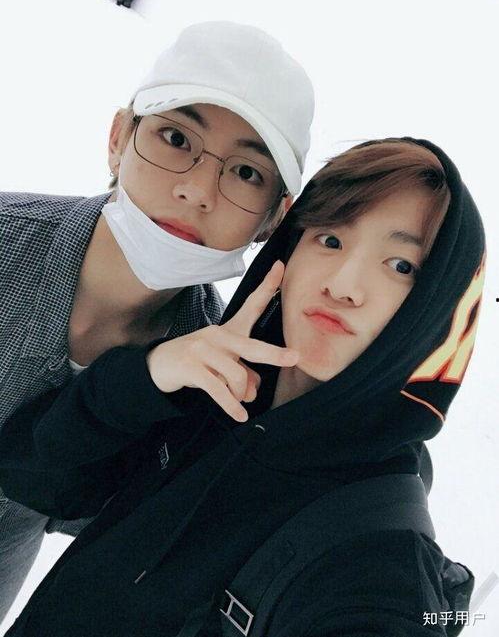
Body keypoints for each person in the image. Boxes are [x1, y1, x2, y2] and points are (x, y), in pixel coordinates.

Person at [0, 137, 486, 636]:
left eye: (401, 266)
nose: (343, 285)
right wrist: (146, 376)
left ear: (438, 305)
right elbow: (30, 475)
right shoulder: (207, 394)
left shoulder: (377, 556)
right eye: (330, 240)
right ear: (288, 251)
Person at [0, 20, 314, 621]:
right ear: (120, 137)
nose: (197, 190)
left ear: (275, 217)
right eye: (175, 138)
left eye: (246, 173)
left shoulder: (210, 376)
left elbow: (99, 517)